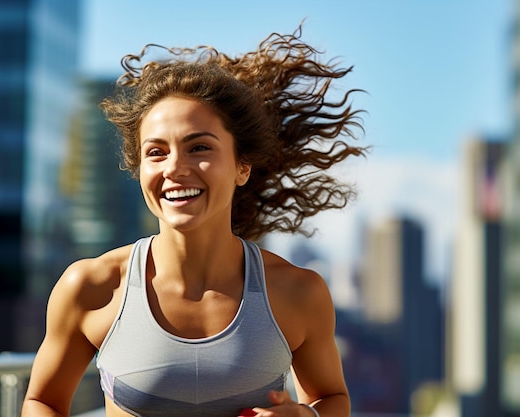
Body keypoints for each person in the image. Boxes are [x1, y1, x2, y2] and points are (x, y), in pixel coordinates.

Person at [22, 25, 366, 417]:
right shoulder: (91, 287)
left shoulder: (298, 292)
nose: (175, 168)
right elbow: (42, 401)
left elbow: (332, 399)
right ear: (138, 170)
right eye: (156, 152)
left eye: (198, 147)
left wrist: (307, 416)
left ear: (242, 166)